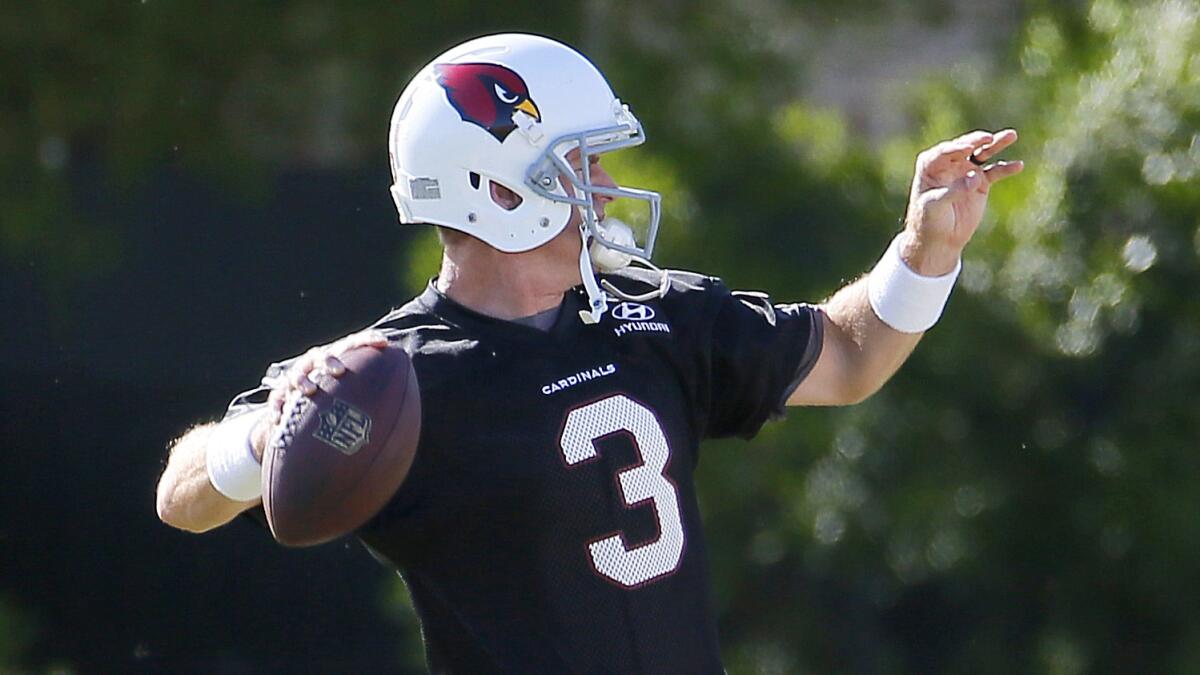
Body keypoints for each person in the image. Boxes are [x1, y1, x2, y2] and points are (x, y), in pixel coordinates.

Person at [156, 33, 1022, 673]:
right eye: (578, 163)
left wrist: (924, 249)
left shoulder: (653, 317)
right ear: (497, 189)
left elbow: (849, 354)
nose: (604, 185)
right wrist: (270, 434)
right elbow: (180, 496)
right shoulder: (392, 377)